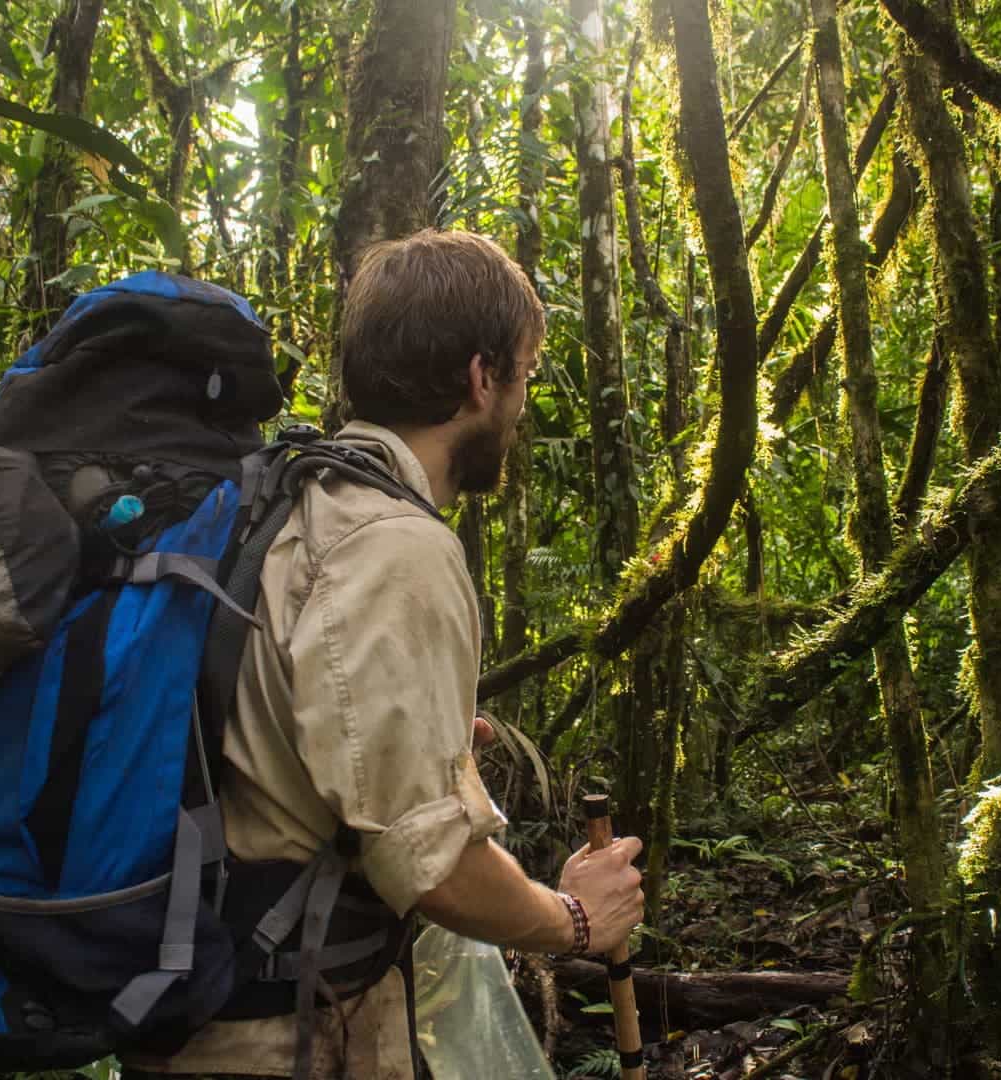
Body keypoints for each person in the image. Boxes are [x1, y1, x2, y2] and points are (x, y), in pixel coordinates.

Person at [124, 228, 646, 1079]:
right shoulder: (396, 545)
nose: (521, 403)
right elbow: (429, 867)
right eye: (524, 374)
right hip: (288, 1032)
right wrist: (577, 920)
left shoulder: (283, 501)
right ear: (481, 379)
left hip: (196, 1003)